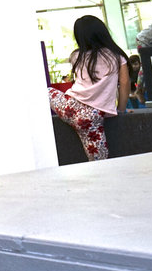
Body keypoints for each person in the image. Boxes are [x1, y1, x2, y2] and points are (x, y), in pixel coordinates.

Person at [48, 14, 129, 161]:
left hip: (69, 106)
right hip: (91, 117)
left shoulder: (76, 56)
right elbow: (124, 83)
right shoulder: (117, 57)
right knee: (100, 161)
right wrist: (121, 109)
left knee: (45, 92)